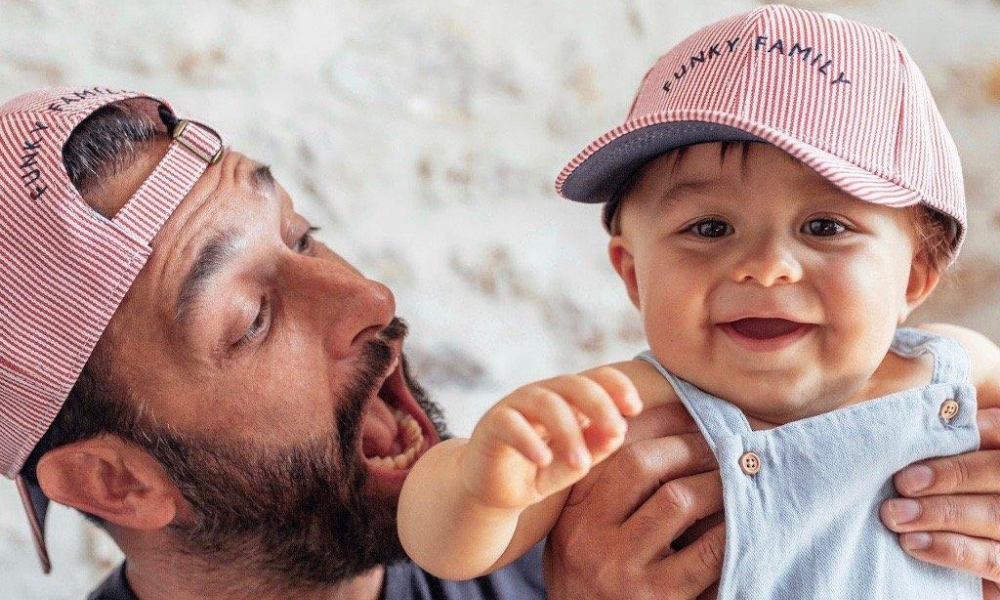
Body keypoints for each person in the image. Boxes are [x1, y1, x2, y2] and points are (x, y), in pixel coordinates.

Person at [0, 86, 735, 600]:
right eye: (253, 317)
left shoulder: (602, 544)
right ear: (115, 483)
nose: (368, 298)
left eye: (302, 237)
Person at [397, 5, 1000, 599]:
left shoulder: (952, 371)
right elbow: (445, 549)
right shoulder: (625, 413)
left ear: (915, 277)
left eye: (824, 227)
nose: (766, 268)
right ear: (634, 275)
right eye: (710, 228)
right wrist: (479, 485)